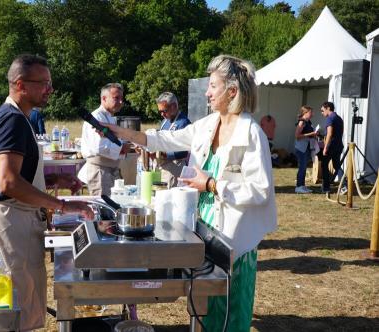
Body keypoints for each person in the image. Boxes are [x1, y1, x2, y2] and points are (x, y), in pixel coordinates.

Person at [102, 55, 277, 332]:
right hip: (204, 232)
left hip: (235, 240)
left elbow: (260, 191)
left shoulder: (251, 132)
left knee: (231, 309)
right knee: (204, 305)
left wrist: (212, 184)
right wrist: (121, 132)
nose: (207, 93)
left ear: (232, 91)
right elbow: (166, 138)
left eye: (213, 86)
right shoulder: (209, 123)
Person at [0, 54, 93, 331]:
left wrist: (53, 177)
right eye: (44, 83)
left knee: (26, 302)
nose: (50, 90)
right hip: (10, 219)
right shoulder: (12, 120)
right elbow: (8, 183)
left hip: (18, 218)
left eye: (50, 83)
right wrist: (64, 205)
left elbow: (19, 174)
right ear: (20, 84)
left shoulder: (21, 118)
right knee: (17, 308)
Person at [80, 83, 131, 195]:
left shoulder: (110, 118)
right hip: (100, 170)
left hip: (111, 169)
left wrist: (123, 146)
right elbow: (100, 147)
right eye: (116, 98)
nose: (121, 102)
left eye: (121, 98)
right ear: (104, 98)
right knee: (103, 209)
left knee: (113, 207)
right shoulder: (96, 118)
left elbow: (111, 142)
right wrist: (121, 147)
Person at [154, 92, 191, 187]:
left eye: (164, 111)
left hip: (175, 169)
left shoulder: (184, 123)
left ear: (174, 106)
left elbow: (184, 151)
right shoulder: (164, 121)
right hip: (162, 167)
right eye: (160, 111)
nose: (162, 114)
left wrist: (164, 154)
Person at [320, 101, 344, 194]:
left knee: (324, 165)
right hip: (339, 145)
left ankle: (326, 188)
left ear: (328, 108)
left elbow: (329, 134)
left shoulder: (330, 118)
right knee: (337, 165)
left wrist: (325, 147)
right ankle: (344, 185)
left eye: (322, 110)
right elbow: (340, 132)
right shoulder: (339, 118)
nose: (322, 113)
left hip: (331, 146)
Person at [294, 106, 318, 194]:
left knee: (304, 167)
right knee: (302, 167)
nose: (312, 114)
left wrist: (314, 134)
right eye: (311, 113)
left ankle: (302, 186)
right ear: (305, 113)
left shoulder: (308, 121)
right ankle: (298, 187)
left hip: (306, 147)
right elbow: (297, 136)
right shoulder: (302, 122)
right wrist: (311, 133)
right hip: (301, 148)